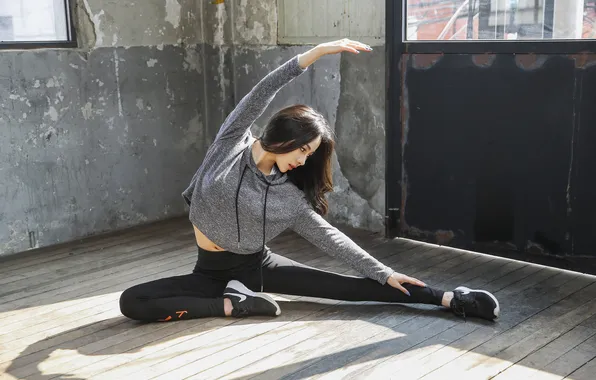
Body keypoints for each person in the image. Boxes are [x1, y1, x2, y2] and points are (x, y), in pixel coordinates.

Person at [119, 39, 499, 322]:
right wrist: (311, 56)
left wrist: (383, 271)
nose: (303, 161)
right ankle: (231, 305)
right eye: (303, 151)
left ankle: (450, 299)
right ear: (287, 138)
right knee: (131, 302)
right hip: (211, 274)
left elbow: (331, 238)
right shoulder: (230, 144)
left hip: (256, 267)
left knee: (351, 289)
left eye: (309, 157)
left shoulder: (288, 196)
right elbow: (260, 93)